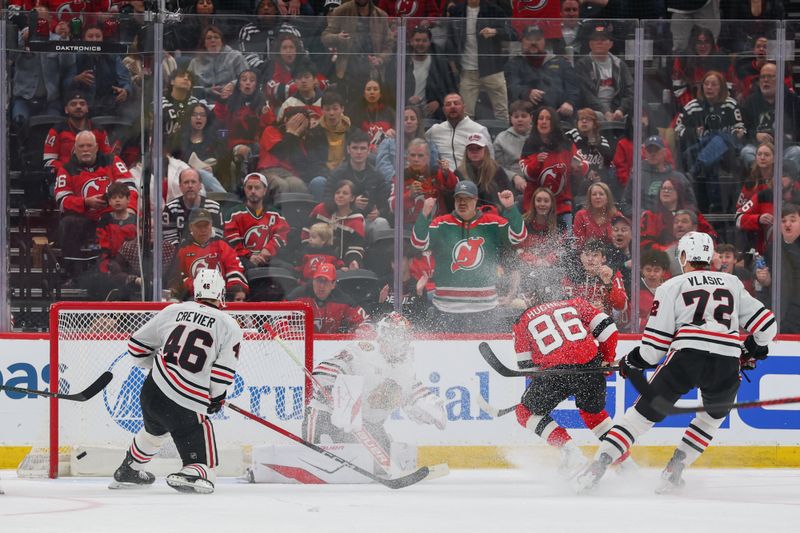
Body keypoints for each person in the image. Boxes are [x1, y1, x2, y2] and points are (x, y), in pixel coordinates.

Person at [576, 231, 777, 493]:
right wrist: (750, 349)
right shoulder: (733, 283)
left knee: (639, 419)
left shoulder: (671, 286)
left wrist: (630, 361)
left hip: (686, 360)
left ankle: (596, 469)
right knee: (709, 420)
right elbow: (767, 327)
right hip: (726, 365)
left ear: (683, 256)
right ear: (709, 256)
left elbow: (654, 350)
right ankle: (674, 471)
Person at [109, 268, 243, 494]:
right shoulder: (228, 325)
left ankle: (129, 470)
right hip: (186, 403)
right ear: (222, 293)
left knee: (154, 431)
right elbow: (222, 372)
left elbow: (136, 347)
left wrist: (163, 368)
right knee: (202, 452)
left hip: (152, 392)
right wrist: (217, 397)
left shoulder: (173, 310)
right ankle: (193, 471)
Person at [302, 313, 445, 467]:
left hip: (366, 427)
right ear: (383, 334)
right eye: (395, 335)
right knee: (316, 462)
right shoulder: (363, 351)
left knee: (386, 467)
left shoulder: (405, 367)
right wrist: (330, 388)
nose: (399, 340)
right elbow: (328, 368)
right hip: (327, 417)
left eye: (403, 336)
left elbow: (414, 394)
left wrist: (432, 409)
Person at [512, 282, 625, 477]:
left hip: (555, 373)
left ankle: (570, 452)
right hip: (591, 367)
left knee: (524, 412)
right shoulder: (576, 303)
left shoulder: (522, 320)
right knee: (595, 416)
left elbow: (528, 369)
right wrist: (606, 359)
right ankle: (627, 464)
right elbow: (608, 329)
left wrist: (551, 377)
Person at [411, 180, 527, 332]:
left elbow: (519, 237)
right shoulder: (441, 224)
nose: (462, 202)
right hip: (446, 309)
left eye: (467, 198)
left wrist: (511, 208)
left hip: (485, 308)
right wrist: (425, 213)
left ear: (475, 200)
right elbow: (418, 243)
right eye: (459, 199)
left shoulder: (492, 223)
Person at [445, 0, 510, 121]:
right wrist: (453, 63)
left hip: (492, 68)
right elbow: (450, 39)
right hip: (467, 70)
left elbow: (510, 32)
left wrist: (494, 31)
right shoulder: (457, 11)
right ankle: (466, 139)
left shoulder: (493, 9)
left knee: (502, 112)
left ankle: (501, 139)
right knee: (465, 115)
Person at [171, 208, 249, 301]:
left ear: (211, 225)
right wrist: (204, 289)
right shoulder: (183, 249)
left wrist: (236, 289)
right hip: (194, 298)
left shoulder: (221, 245)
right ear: (191, 227)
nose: (203, 230)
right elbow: (179, 279)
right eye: (199, 226)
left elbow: (234, 268)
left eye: (206, 225)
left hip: (222, 296)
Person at [504, 24, 579, 120]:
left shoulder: (561, 62)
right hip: (525, 116)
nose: (533, 43)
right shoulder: (514, 63)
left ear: (544, 42)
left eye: (538, 39)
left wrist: (569, 103)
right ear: (522, 42)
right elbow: (510, 86)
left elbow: (574, 88)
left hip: (558, 114)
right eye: (529, 39)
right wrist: (527, 92)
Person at [224, 172, 291, 271]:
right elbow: (232, 242)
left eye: (257, 187)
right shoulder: (233, 213)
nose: (253, 191)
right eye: (249, 187)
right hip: (243, 259)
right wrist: (249, 256)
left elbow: (282, 234)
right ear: (245, 190)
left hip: (269, 259)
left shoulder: (275, 214)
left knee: (288, 270)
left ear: (264, 190)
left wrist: (268, 250)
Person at [288, 262, 367, 333]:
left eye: (326, 281)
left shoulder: (343, 300)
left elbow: (366, 322)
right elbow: (279, 318)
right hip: (300, 345)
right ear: (313, 281)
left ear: (333, 284)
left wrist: (361, 331)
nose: (321, 286)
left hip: (332, 345)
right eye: (318, 281)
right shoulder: (297, 296)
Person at [425, 93, 493, 169]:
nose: (452, 106)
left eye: (456, 103)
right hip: (444, 177)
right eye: (448, 104)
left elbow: (490, 160)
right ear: (443, 109)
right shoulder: (435, 130)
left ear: (464, 107)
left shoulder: (478, 129)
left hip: (470, 176)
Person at [162, 168, 224, 247]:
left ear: (200, 186)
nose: (190, 186)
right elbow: (169, 241)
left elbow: (218, 238)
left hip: (209, 254)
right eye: (186, 182)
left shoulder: (214, 208)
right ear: (180, 186)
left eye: (193, 182)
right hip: (180, 256)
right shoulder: (170, 209)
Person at [455, 132, 512, 210]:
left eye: (478, 148)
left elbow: (507, 193)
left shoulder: (497, 170)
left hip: (494, 213)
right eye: (471, 149)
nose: (474, 151)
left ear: (486, 150)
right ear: (466, 152)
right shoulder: (459, 172)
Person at [493, 100, 533, 196]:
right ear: (511, 118)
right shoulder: (501, 138)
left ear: (531, 118)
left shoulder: (539, 135)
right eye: (516, 116)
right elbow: (496, 166)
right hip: (511, 183)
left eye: (523, 116)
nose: (519, 119)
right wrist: (514, 177)